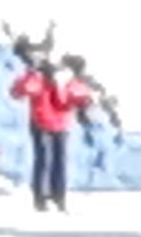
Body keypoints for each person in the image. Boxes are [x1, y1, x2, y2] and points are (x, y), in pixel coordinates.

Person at [12, 51, 96, 212]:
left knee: (46, 159)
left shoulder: (41, 78)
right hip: (53, 122)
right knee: (56, 159)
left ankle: (46, 198)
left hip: (45, 122)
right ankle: (55, 197)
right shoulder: (64, 79)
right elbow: (79, 96)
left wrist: (30, 75)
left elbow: (18, 91)